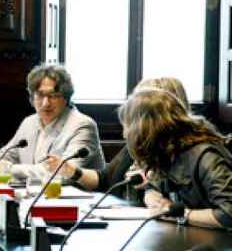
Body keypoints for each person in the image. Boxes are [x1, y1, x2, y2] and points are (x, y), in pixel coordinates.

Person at [46, 77, 189, 193]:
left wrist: (154, 183)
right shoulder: (138, 142)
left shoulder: (183, 151)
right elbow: (104, 180)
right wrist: (72, 171)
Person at [121, 87, 232, 229]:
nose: (125, 134)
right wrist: (152, 197)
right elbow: (153, 185)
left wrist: (179, 214)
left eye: (127, 126)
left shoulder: (205, 156)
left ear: (145, 129)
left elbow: (228, 214)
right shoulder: (167, 151)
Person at [0, 63, 104, 183]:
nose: (45, 103)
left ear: (66, 98)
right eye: (40, 95)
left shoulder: (83, 125)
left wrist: (10, 169)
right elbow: (2, 156)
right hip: (35, 197)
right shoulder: (29, 123)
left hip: (79, 200)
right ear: (31, 98)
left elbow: (63, 173)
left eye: (53, 96)